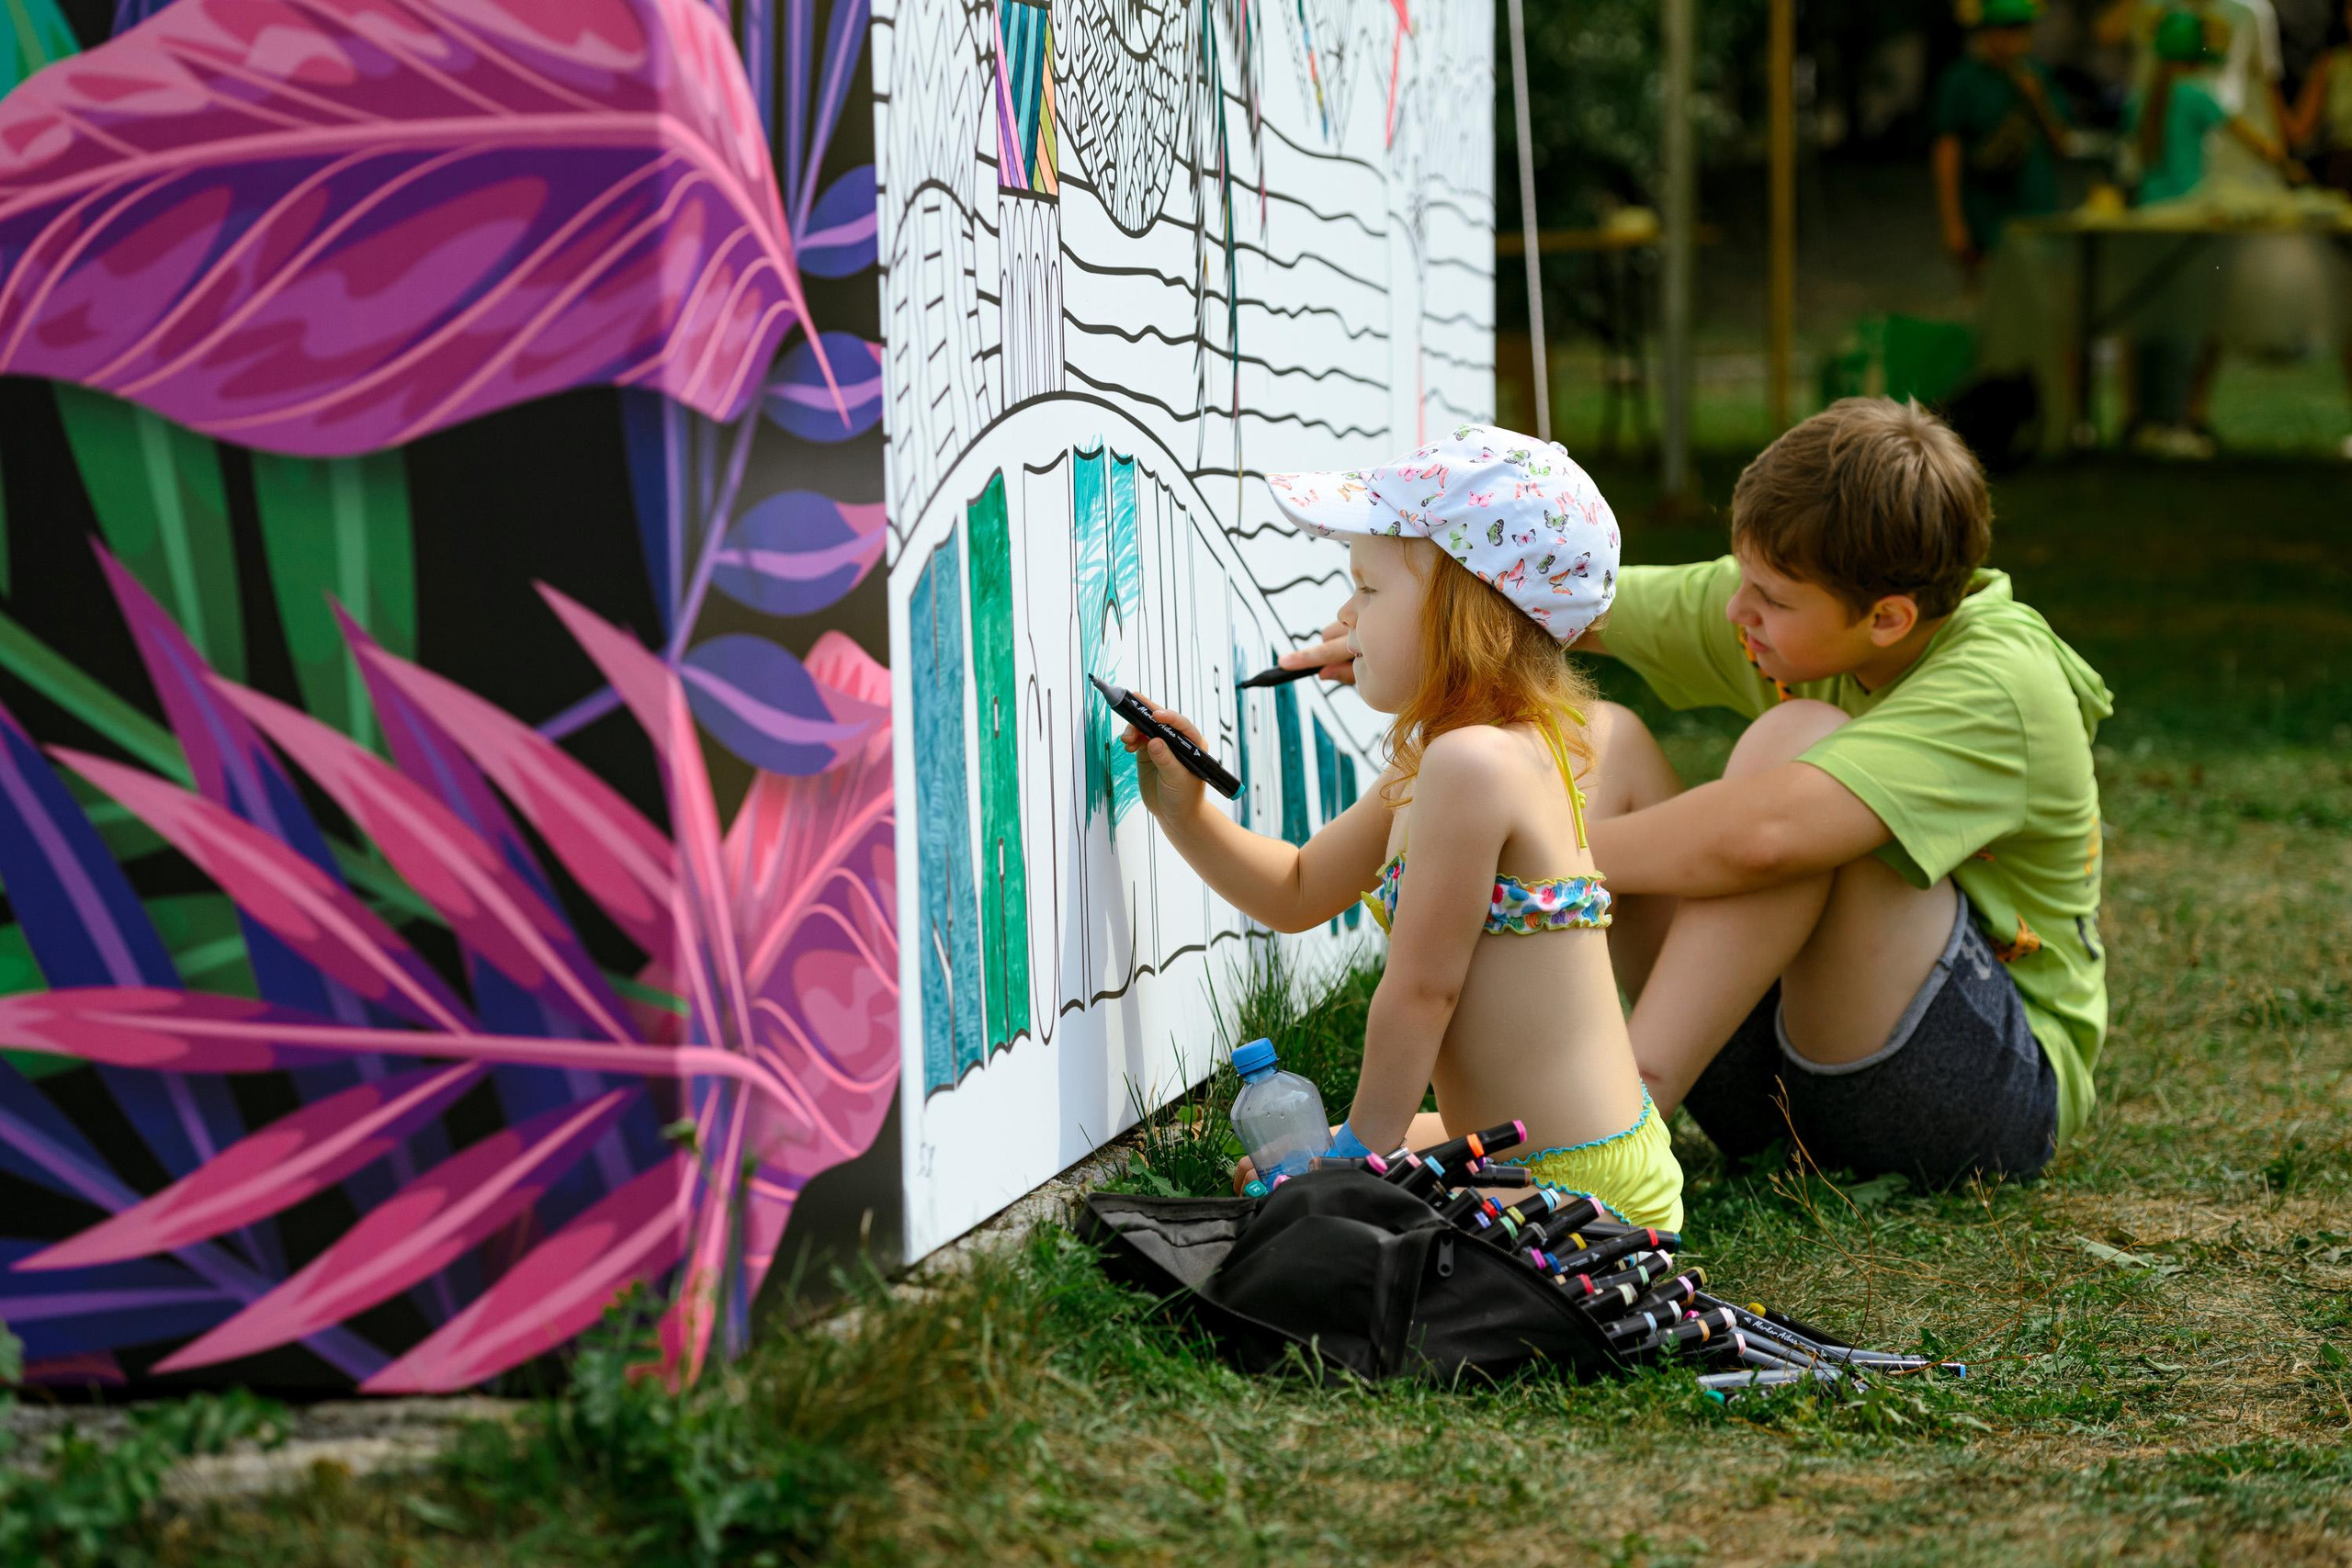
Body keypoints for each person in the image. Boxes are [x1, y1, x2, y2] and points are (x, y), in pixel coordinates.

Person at [1279, 400, 2114, 1189]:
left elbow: (1762, 838)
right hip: (1778, 1077)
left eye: (1772, 599)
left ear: (1888, 619)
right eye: (1740, 577)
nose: (1735, 609)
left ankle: (1627, 1107)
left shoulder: (2000, 682)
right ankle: (1576, 1119)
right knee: (1605, 739)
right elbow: (1541, 596)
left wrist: (1489, 857)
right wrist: (1402, 628)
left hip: (1975, 1097)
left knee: (1802, 746)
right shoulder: (1783, 602)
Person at [1124, 427, 1682, 1229]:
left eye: (1370, 592)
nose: (1345, 616)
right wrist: (1185, 810)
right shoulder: (1457, 755)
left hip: (1579, 1192)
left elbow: (1423, 992)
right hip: (1545, 1147)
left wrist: (1354, 1167)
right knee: (1282, 1159)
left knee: (1312, 1190)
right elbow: (1297, 889)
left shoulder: (1472, 766)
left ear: (1467, 614)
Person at [2121, 9, 2304, 453]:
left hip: (2145, 218)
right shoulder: (2198, 93)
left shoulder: (2144, 97)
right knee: (2187, 324)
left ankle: (2140, 420)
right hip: (2186, 219)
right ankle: (2176, 421)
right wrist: (2291, 168)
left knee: (2144, 322)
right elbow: (2255, 140)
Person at [1932, 0, 2072, 285]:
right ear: (1986, 33)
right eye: (2006, 29)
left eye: (2021, 29)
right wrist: (1953, 224)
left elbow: (2063, 144)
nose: (2015, 38)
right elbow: (1947, 151)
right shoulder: (1962, 80)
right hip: (1986, 218)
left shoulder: (2037, 75)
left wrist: (2038, 99)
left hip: (2038, 214)